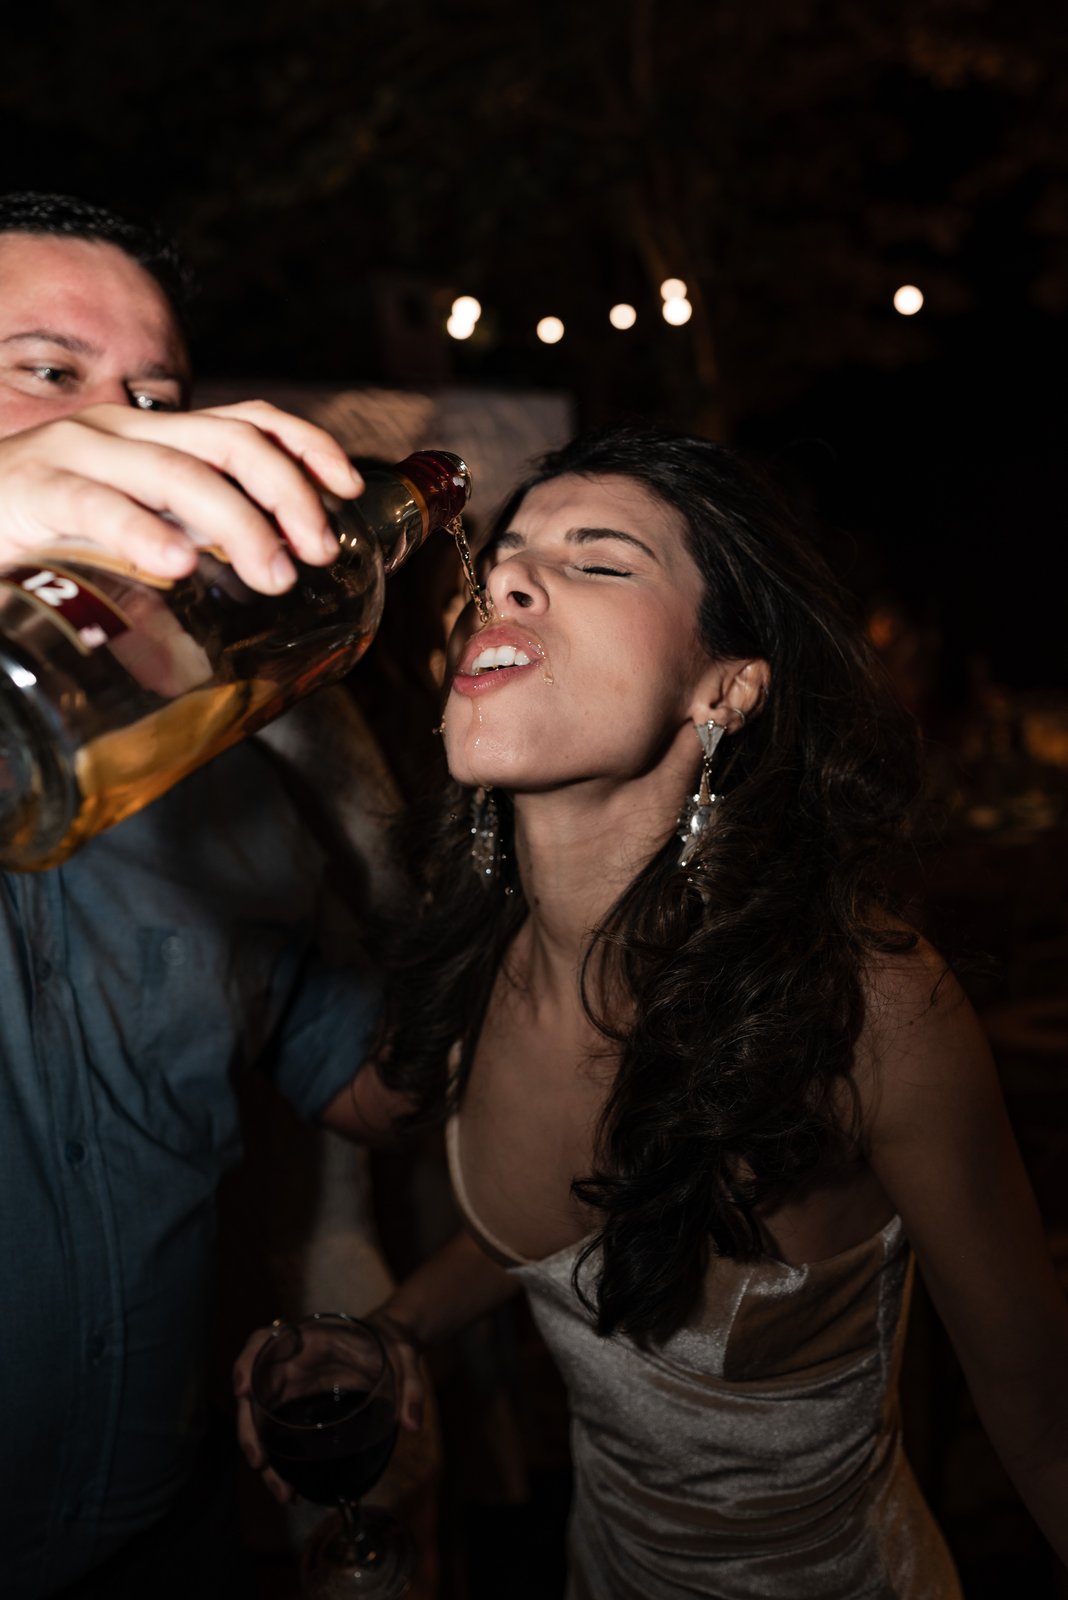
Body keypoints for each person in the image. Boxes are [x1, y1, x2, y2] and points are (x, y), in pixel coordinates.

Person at [236, 425, 1068, 1596]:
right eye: (503, 559)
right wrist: (397, 1326)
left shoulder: (865, 1010)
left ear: (725, 686)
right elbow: (569, 1234)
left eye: (598, 559)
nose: (507, 580)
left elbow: (1047, 1429)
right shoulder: (476, 962)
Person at [0, 193, 393, 1598]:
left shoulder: (232, 778)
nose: (125, 428)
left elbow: (371, 1084)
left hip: (169, 1533)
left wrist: (553, 859)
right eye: (48, 369)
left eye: (158, 396)